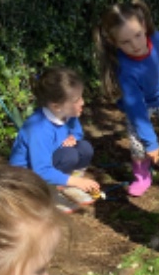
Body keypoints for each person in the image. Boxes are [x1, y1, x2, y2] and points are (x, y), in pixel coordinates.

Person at [94, 0, 159, 197]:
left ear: (144, 26)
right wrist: (151, 143)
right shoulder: (125, 71)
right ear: (114, 42)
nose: (135, 45)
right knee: (138, 144)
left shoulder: (157, 39)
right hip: (139, 106)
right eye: (125, 42)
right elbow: (136, 109)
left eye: (138, 35)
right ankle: (142, 176)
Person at [9, 67, 101, 213]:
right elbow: (41, 170)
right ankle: (50, 193)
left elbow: (77, 133)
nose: (82, 102)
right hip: (28, 177)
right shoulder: (39, 130)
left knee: (84, 148)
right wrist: (78, 181)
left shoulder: (69, 114)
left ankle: (67, 186)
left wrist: (73, 138)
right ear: (56, 106)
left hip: (52, 160)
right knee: (70, 155)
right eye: (76, 100)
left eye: (81, 97)